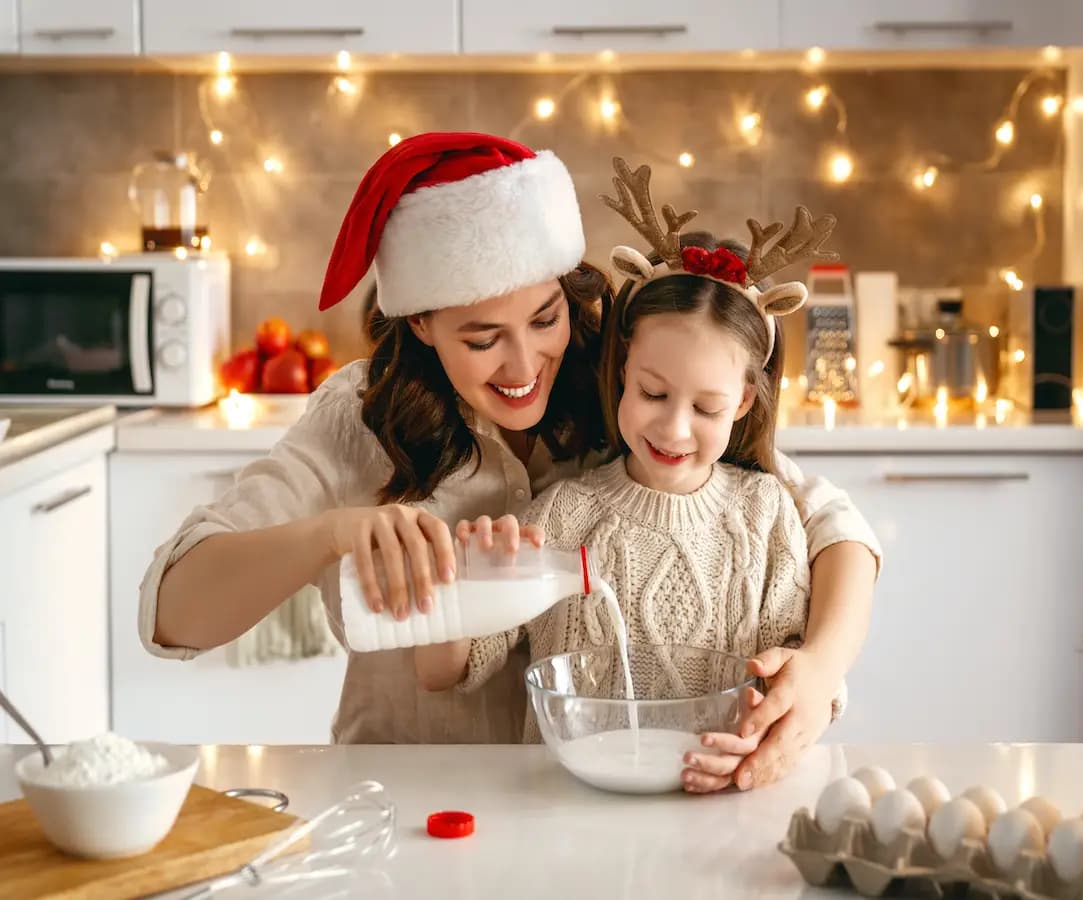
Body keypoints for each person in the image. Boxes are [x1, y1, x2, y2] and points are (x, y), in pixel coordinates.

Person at [139, 133, 879, 789]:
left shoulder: (627, 386)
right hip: (400, 789)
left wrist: (820, 670)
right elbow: (173, 615)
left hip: (574, 799)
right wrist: (332, 534)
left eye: (545, 318)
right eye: (483, 337)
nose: (525, 364)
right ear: (423, 323)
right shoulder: (359, 417)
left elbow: (824, 521)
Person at [414, 158, 850, 792]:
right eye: (652, 393)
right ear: (622, 371)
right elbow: (444, 671)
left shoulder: (766, 516)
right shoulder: (561, 515)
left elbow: (799, 679)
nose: (674, 429)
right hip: (570, 808)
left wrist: (767, 721)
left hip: (719, 808)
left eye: (706, 408)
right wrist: (461, 582)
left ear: (747, 403)